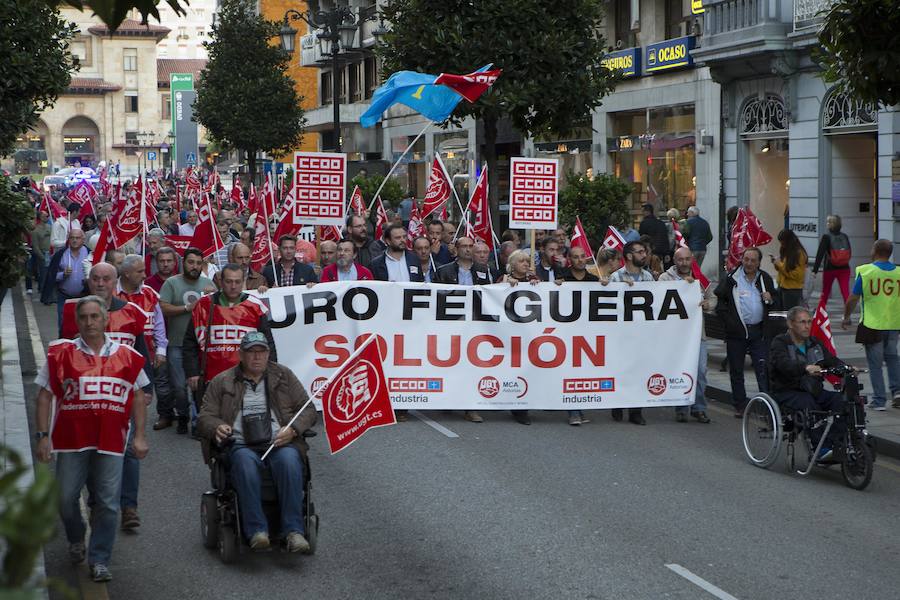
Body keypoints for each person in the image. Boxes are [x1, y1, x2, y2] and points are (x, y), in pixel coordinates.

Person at [34, 295, 150, 582]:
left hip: (111, 442)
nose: (89, 322)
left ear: (106, 319)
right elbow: (44, 396)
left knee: (109, 503)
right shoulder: (60, 353)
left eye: (94, 317)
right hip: (71, 442)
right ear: (77, 321)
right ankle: (76, 538)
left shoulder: (128, 355)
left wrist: (140, 436)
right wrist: (42, 436)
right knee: (64, 498)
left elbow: (137, 396)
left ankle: (99, 558)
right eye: (83, 317)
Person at [197, 332, 316, 553]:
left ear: (268, 354)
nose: (257, 357)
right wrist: (216, 427)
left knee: (290, 462)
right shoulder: (222, 380)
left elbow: (308, 409)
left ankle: (294, 532)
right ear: (240, 355)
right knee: (244, 464)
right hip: (241, 444)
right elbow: (205, 416)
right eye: (251, 352)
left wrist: (293, 430)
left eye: (261, 352)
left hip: (278, 442)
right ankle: (257, 531)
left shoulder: (283, 375)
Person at [184, 263, 276, 410]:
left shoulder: (255, 306)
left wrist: (270, 373)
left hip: (246, 377)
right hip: (211, 378)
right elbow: (190, 343)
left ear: (243, 281)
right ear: (221, 281)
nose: (233, 286)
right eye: (229, 281)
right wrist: (192, 372)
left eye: (237, 281)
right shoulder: (203, 305)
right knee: (211, 423)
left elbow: (268, 343)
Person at [770, 306, 848, 459]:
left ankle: (835, 442)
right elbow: (783, 364)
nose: (807, 326)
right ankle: (821, 448)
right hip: (788, 391)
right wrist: (805, 367)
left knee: (842, 401)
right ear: (791, 324)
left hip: (813, 389)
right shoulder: (780, 342)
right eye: (802, 322)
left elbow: (831, 360)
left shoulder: (814, 343)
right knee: (809, 405)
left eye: (809, 322)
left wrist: (847, 368)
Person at [158, 248, 216, 434]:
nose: (195, 266)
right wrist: (187, 308)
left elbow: (219, 311)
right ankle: (182, 414)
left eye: (199, 263)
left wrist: (211, 298)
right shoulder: (171, 283)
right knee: (179, 387)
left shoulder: (208, 284)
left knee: (198, 385)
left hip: (200, 345)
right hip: (176, 343)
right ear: (183, 263)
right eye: (191, 262)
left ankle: (197, 421)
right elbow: (163, 308)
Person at [714, 247, 776, 418]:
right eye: (746, 259)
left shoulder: (765, 279)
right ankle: (740, 405)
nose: (748, 263)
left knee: (763, 369)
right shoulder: (731, 278)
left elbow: (777, 301)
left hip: (758, 332)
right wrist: (730, 323)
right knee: (736, 370)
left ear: (759, 262)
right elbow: (720, 303)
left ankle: (768, 407)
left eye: (752, 260)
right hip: (737, 332)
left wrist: (770, 299)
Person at [842, 239, 900, 411]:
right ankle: (897, 392)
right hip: (894, 323)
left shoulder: (867, 272)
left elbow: (853, 297)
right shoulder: (898, 273)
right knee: (892, 359)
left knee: (875, 364)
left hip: (873, 324)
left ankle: (879, 400)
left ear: (875, 250)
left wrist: (846, 316)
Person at [659, 247, 713, 424]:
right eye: (680, 259)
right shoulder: (664, 278)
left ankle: (699, 408)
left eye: (687, 259)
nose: (684, 263)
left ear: (692, 260)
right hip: (675, 336)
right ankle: (681, 407)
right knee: (680, 370)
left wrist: (707, 304)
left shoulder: (700, 278)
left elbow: (712, 299)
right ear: (675, 261)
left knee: (701, 371)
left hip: (698, 335)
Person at [609, 241, 657, 426]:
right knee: (621, 369)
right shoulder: (616, 277)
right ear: (629, 256)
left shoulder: (648, 277)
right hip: (621, 334)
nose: (644, 255)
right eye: (640, 252)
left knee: (639, 370)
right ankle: (618, 403)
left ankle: (636, 410)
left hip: (642, 334)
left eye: (644, 251)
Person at [560, 245, 599, 426]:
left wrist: (606, 286)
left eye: (583, 256)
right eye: (575, 257)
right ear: (570, 259)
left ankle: (578, 409)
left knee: (583, 372)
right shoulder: (562, 278)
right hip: (567, 333)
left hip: (588, 333)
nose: (580, 260)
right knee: (570, 372)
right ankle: (573, 412)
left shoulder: (593, 280)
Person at [51, 229, 89, 332]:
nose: (75, 240)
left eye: (77, 238)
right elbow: (51, 276)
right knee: (63, 324)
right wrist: (63, 275)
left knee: (83, 325)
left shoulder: (89, 253)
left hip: (83, 296)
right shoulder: (61, 254)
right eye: (72, 238)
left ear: (83, 239)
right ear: (68, 239)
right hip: (64, 296)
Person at [813, 214, 853, 304]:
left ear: (831, 224)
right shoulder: (845, 236)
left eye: (828, 222)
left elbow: (820, 253)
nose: (827, 223)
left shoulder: (826, 237)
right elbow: (849, 252)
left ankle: (821, 314)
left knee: (825, 293)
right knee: (845, 292)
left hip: (830, 268)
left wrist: (815, 270)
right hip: (844, 268)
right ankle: (848, 315)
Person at [770, 229, 808, 310]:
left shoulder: (799, 254)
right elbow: (783, 269)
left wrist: (779, 264)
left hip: (792, 290)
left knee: (790, 315)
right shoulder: (787, 251)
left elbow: (797, 275)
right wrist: (776, 263)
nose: (782, 245)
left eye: (783, 243)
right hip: (782, 287)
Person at [27, 211, 51, 295]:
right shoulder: (35, 231)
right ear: (40, 217)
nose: (47, 217)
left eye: (47, 216)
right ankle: (42, 290)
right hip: (43, 254)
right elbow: (35, 246)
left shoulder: (50, 227)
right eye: (45, 216)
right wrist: (42, 257)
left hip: (50, 253)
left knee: (49, 273)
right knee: (43, 273)